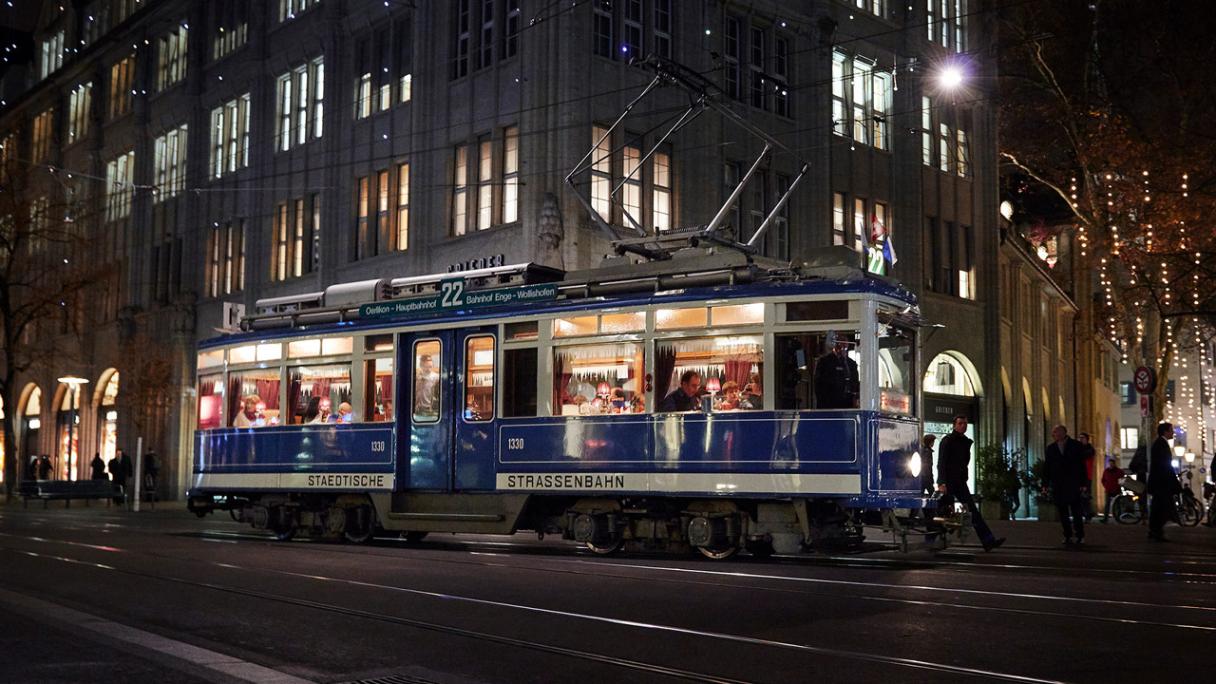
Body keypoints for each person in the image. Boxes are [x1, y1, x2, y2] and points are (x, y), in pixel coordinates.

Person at [937, 415, 1005, 551]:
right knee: (943, 512)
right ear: (954, 425)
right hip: (949, 482)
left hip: (960, 482)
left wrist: (964, 476)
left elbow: (964, 463)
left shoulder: (965, 441)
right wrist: (942, 482)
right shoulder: (947, 440)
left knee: (973, 511)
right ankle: (932, 540)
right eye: (960, 423)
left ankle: (988, 541)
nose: (963, 425)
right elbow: (942, 462)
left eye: (965, 423)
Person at [1043, 425, 1090, 545]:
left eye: (1055, 432)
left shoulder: (1076, 445)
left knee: (1076, 511)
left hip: (1073, 483)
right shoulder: (1051, 448)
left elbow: (1081, 466)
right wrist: (1045, 484)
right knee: (1062, 512)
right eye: (1053, 433)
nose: (1053, 434)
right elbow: (1047, 467)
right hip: (1058, 484)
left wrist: (1083, 483)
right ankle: (1067, 535)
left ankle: (1080, 535)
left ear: (1063, 432)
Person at [1148, 422, 1181, 541]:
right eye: (1171, 430)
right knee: (1160, 507)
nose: (1173, 433)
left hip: (1160, 483)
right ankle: (1156, 531)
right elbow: (1164, 465)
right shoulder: (1161, 444)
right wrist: (1174, 481)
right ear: (1165, 432)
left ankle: (1155, 531)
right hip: (1161, 483)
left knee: (1159, 507)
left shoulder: (1160, 443)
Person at [814, 334, 858, 409]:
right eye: (840, 342)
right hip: (828, 404)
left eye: (845, 342)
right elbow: (818, 384)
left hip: (847, 404)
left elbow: (854, 382)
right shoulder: (824, 362)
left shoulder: (851, 364)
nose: (842, 345)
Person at [1077, 432, 1097, 521]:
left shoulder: (1090, 450)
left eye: (1083, 438)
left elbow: (1082, 456)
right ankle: (1084, 514)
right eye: (1080, 438)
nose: (1081, 439)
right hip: (1078, 475)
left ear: (1086, 439)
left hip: (1086, 476)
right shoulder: (1078, 449)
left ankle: (1087, 514)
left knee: (1085, 496)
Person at [1100, 457, 1125, 523]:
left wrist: (1118, 486)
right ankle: (1105, 519)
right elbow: (1103, 480)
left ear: (1114, 463)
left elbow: (1122, 480)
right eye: (1110, 463)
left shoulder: (1119, 471)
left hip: (1117, 490)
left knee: (1117, 505)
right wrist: (1106, 486)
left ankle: (1118, 518)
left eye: (1112, 463)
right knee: (1107, 505)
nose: (1111, 464)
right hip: (1109, 490)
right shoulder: (1106, 471)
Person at [1128, 443, 1149, 520]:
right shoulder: (1147, 452)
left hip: (1140, 477)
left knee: (1141, 496)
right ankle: (1145, 513)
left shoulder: (1139, 452)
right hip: (1144, 477)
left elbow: (1132, 465)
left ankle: (1143, 514)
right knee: (1144, 496)